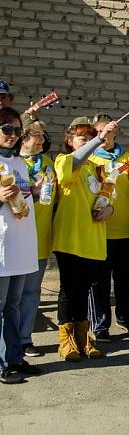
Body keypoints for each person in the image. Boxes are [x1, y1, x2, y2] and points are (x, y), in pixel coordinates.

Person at [53, 116, 116, 361]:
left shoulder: (98, 168)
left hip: (93, 240)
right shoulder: (64, 161)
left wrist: (109, 209)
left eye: (90, 137)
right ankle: (65, 339)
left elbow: (108, 197)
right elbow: (74, 163)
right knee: (69, 290)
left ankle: (82, 336)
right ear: (70, 141)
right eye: (82, 138)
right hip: (70, 239)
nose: (88, 141)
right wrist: (99, 139)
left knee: (83, 291)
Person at [87, 113, 129, 343]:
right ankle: (100, 324)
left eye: (107, 131)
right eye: (98, 132)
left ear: (115, 131)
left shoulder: (128, 158)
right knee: (99, 281)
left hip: (127, 229)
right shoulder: (89, 159)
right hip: (100, 229)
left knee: (125, 279)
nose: (103, 136)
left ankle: (125, 317)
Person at [0, 107, 41, 383]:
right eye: (7, 129)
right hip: (2, 245)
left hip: (22, 243)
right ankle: (2, 362)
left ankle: (15, 357)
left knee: (13, 305)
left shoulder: (19, 163)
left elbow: (22, 200)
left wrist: (34, 192)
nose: (13, 135)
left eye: (17, 130)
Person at [18, 118, 55, 358]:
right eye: (36, 135)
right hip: (16, 238)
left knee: (32, 292)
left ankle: (25, 338)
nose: (42, 140)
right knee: (11, 296)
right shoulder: (13, 163)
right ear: (23, 138)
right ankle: (8, 339)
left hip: (40, 236)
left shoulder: (48, 163)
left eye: (43, 135)